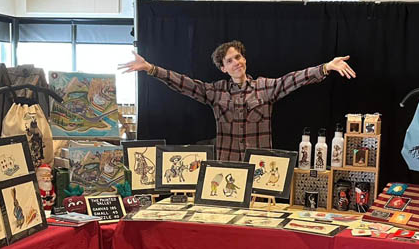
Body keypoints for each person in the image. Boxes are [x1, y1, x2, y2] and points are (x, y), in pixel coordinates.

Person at [119, 40, 355, 161]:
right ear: (223, 68)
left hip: (259, 170)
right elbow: (185, 84)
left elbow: (293, 80)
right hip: (227, 167)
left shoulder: (265, 87)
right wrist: (151, 69)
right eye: (230, 61)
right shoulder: (215, 92)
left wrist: (325, 68)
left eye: (238, 57)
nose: (237, 62)